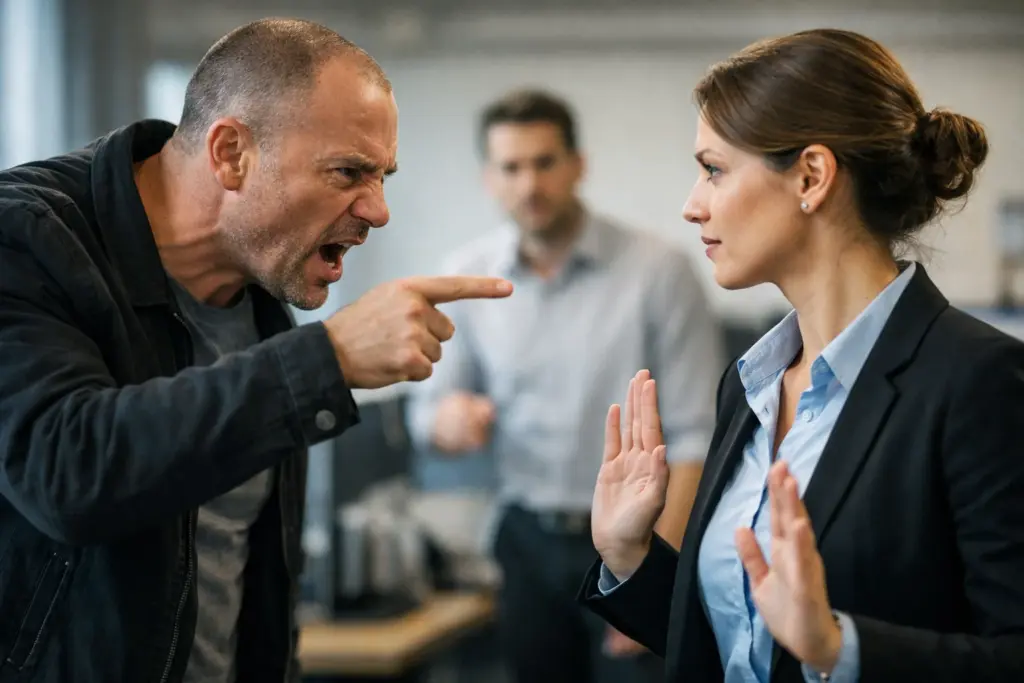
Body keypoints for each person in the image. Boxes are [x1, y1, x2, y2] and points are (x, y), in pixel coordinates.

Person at [0, 18, 511, 683]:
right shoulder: (24, 237)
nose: (378, 210)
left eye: (382, 176)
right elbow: (65, 470)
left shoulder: (263, 299)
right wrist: (328, 358)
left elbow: (255, 583)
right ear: (231, 153)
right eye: (348, 171)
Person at [579, 28, 1024, 683]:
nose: (691, 205)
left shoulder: (979, 381)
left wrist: (839, 648)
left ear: (811, 176)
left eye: (713, 169)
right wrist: (629, 555)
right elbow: (732, 639)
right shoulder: (749, 385)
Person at [405, 89, 724, 683]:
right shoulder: (468, 277)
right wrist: (448, 421)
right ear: (489, 178)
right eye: (511, 167)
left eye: (544, 162)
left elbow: (695, 438)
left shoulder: (658, 271)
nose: (529, 184)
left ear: (578, 165)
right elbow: (427, 414)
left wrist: (651, 576)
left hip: (632, 537)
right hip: (524, 542)